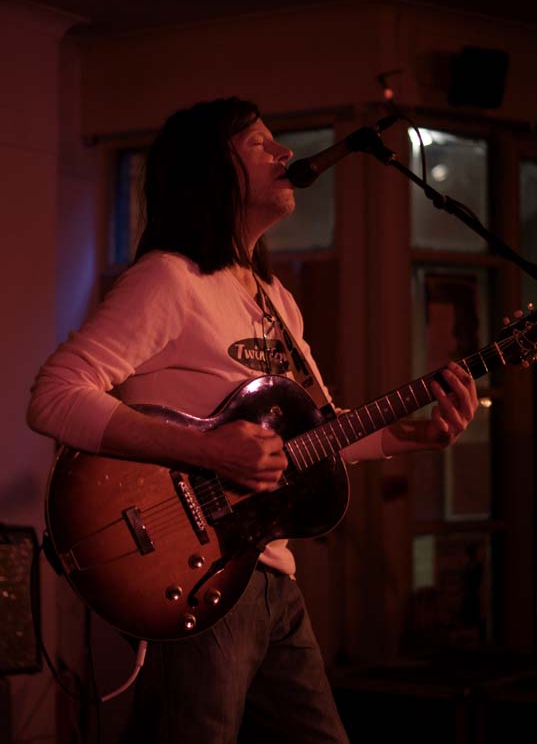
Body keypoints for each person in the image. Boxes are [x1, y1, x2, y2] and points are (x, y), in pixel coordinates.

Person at [28, 97, 478, 743]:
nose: (286, 153)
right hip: (192, 573)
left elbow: (303, 444)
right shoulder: (168, 280)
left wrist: (399, 437)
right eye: (260, 142)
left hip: (269, 572)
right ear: (211, 168)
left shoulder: (278, 302)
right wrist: (206, 449)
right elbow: (54, 395)